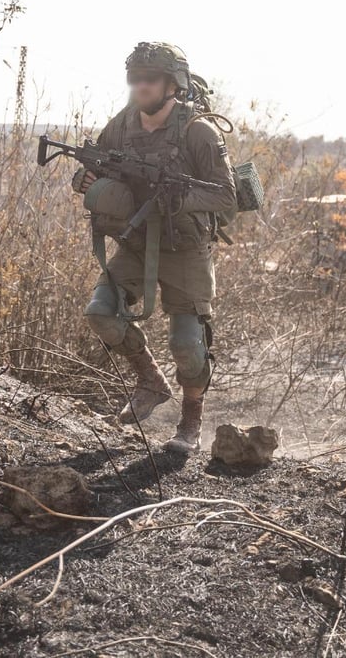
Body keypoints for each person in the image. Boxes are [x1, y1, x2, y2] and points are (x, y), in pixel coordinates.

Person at [73, 42, 236, 453]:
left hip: (186, 248)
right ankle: (150, 379)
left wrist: (181, 197)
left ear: (173, 84)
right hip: (137, 241)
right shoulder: (124, 123)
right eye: (135, 78)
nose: (141, 85)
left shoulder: (199, 131)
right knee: (100, 313)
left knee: (187, 344)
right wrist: (85, 181)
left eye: (150, 78)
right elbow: (93, 167)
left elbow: (226, 199)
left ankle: (190, 423)